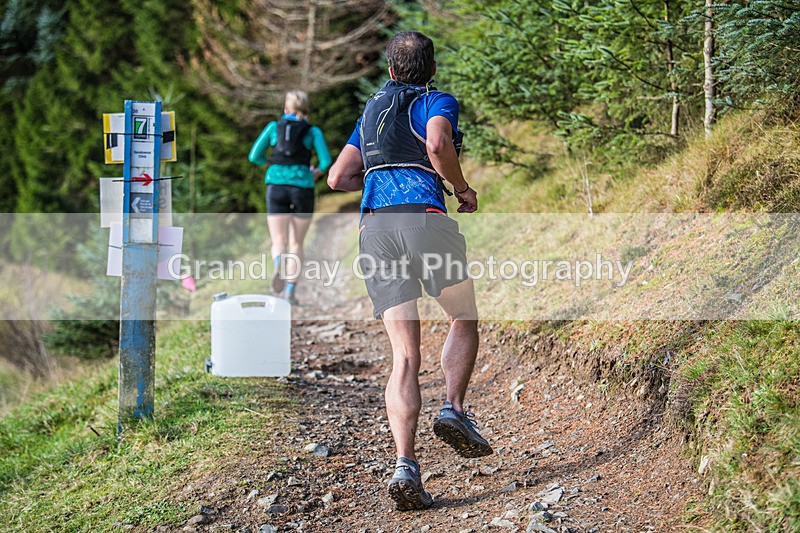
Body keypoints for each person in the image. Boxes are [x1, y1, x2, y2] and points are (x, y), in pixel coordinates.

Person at [328, 31, 492, 511]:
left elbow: (338, 177)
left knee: (404, 356)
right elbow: (438, 143)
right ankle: (453, 409)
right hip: (424, 220)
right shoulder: (435, 100)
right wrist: (461, 189)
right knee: (462, 317)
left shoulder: (371, 113)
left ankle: (405, 465)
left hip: (376, 230)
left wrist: (378, 177)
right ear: (432, 68)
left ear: (390, 70)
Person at [248, 90, 332, 305]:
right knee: (297, 243)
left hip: (276, 186)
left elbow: (254, 156)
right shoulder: (313, 131)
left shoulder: (273, 127)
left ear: (286, 108)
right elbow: (325, 161)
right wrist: (315, 173)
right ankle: (290, 292)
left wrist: (270, 164)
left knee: (279, 241)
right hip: (303, 188)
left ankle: (279, 263)